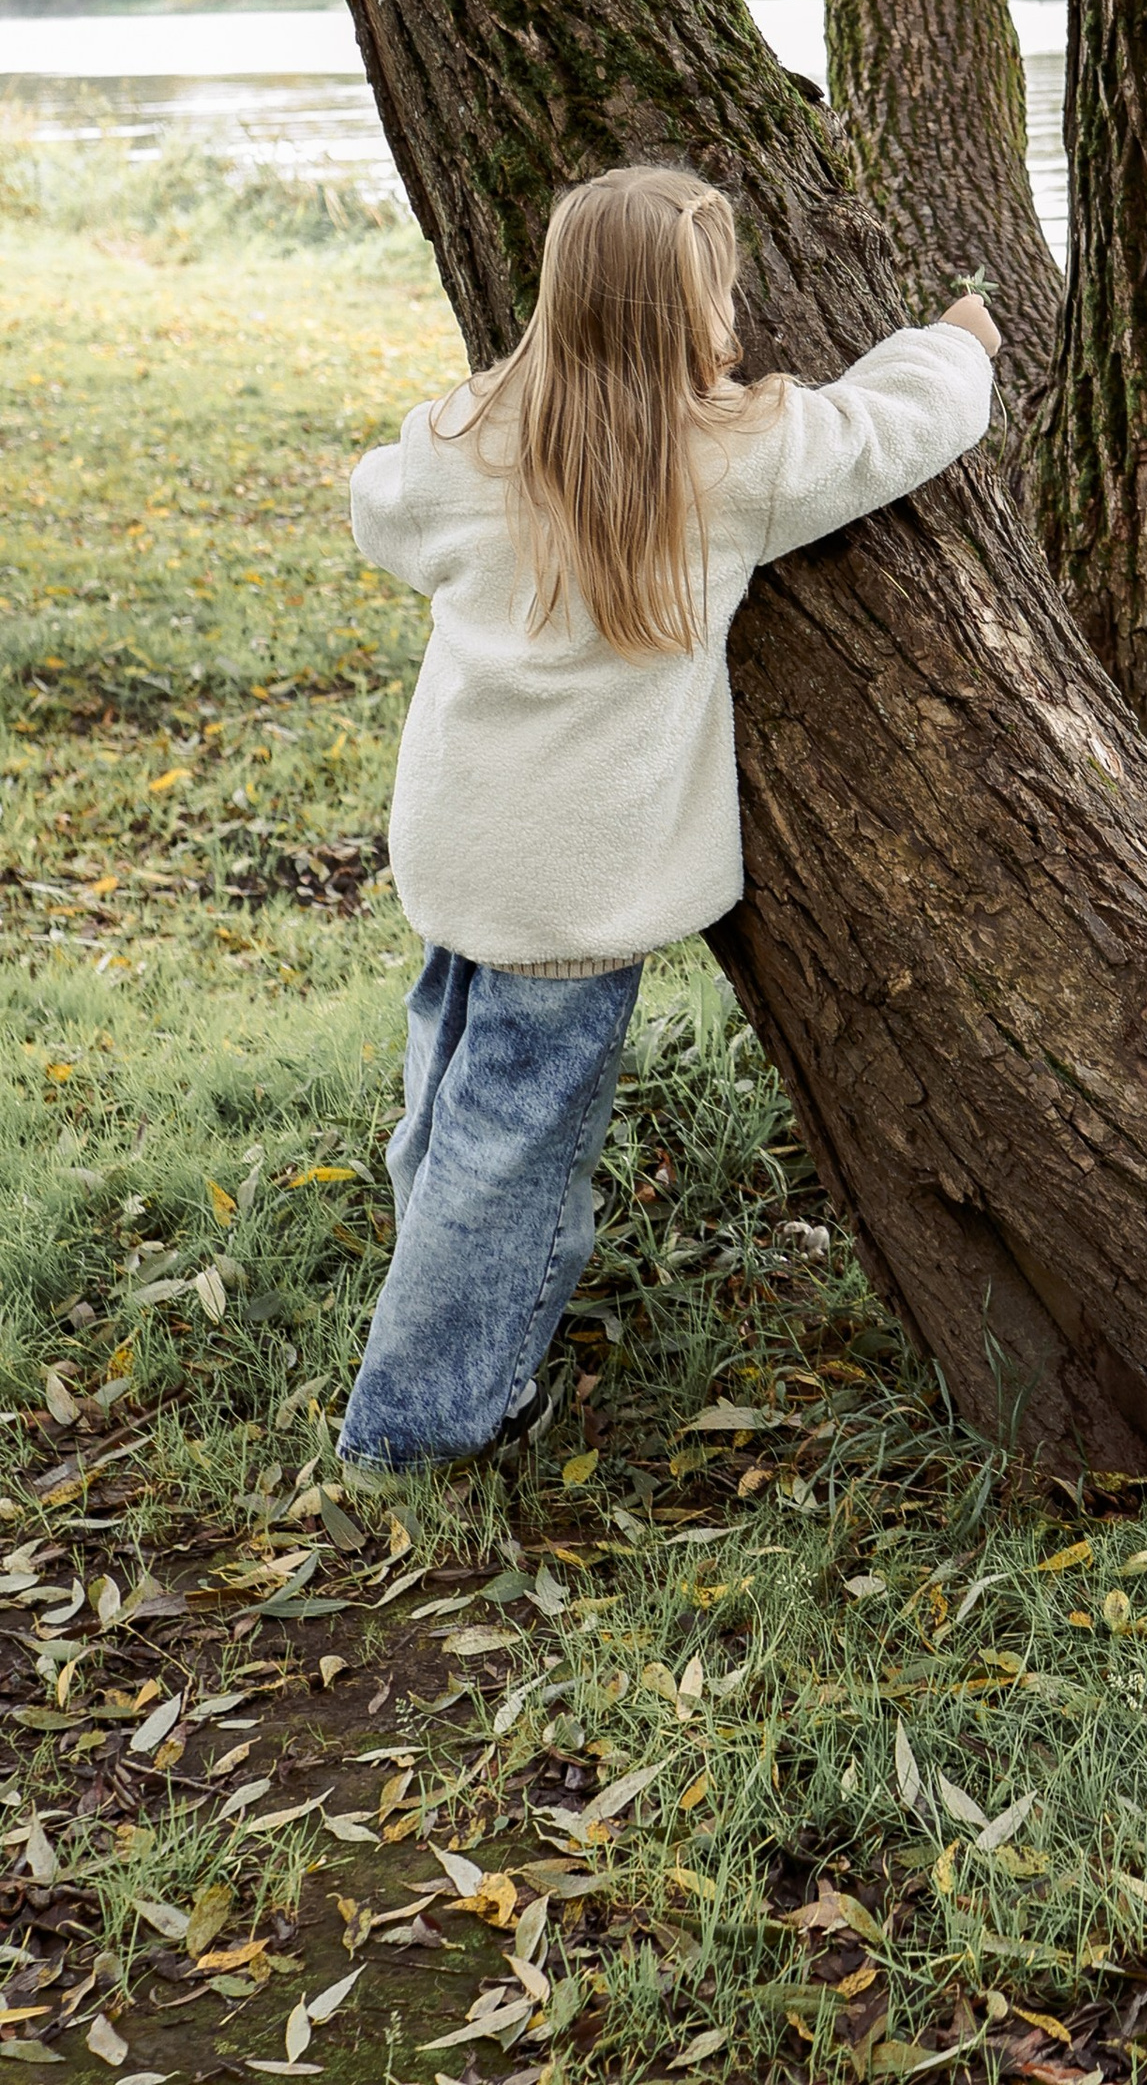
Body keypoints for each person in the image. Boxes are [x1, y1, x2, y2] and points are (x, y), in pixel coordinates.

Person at [338, 165, 999, 1469]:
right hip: (576, 885)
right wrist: (957, 339)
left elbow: (381, 511)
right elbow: (893, 424)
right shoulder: (723, 458)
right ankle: (420, 1431)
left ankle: (436, 1343)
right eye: (721, 294)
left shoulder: (470, 438)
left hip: (463, 846)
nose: (738, 317)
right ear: (676, 316)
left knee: (449, 1106)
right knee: (510, 1160)